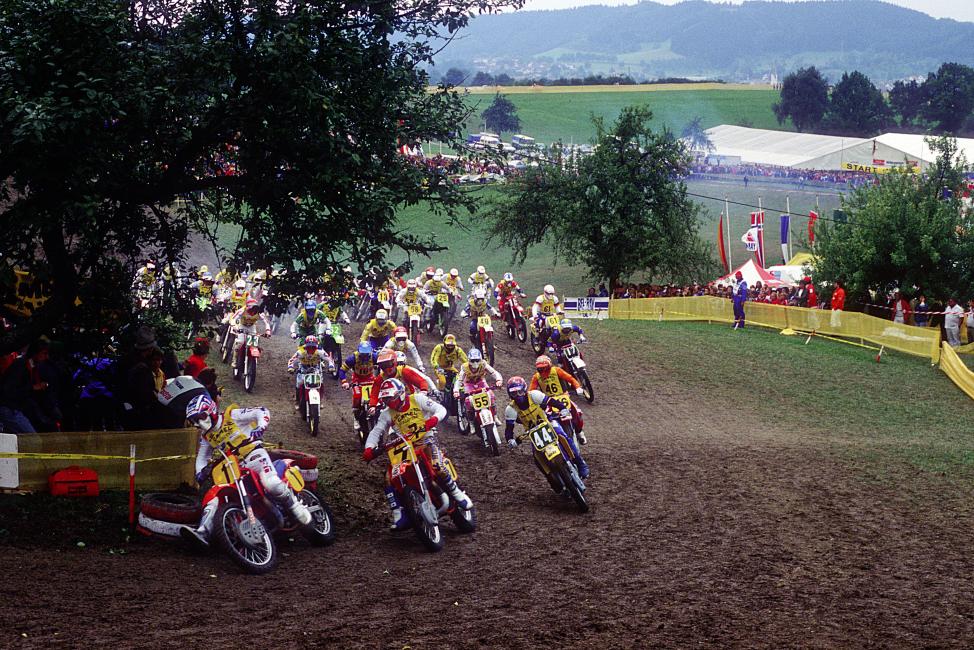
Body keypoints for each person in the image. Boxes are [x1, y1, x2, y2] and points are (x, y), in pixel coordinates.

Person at [179, 395, 311, 547]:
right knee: (217, 496)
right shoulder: (207, 437)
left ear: (211, 410)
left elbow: (261, 411)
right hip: (234, 467)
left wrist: (260, 427)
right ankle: (203, 531)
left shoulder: (231, 415)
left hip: (254, 455)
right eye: (195, 420)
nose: (199, 423)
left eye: (201, 417)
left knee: (271, 483)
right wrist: (200, 473)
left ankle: (295, 506)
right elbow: (202, 457)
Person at [362, 378, 472, 529]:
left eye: (390, 398)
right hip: (404, 446)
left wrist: (433, 420)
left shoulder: (417, 399)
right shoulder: (386, 413)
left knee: (437, 465)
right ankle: (399, 513)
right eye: (385, 399)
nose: (388, 402)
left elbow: (441, 409)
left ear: (400, 394)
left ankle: (457, 492)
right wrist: (369, 448)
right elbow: (376, 431)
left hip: (426, 438)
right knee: (389, 477)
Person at [503, 376, 589, 479]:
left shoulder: (534, 395)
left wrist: (562, 408)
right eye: (514, 393)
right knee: (537, 457)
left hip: (548, 422)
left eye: (520, 392)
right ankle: (552, 480)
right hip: (533, 433)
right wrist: (510, 440)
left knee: (563, 437)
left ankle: (580, 463)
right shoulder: (511, 409)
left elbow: (553, 402)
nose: (518, 396)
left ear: (524, 390)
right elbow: (509, 429)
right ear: (510, 395)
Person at [0, 339, 58, 433]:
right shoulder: (21, 365)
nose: (46, 357)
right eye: (44, 353)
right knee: (31, 438)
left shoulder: (31, 366)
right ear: (35, 353)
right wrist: (33, 387)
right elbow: (8, 389)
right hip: (8, 408)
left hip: (14, 408)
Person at [529, 355, 586, 444]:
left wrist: (577, 387)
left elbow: (570, 378)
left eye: (545, 368)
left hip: (562, 396)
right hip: (548, 401)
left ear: (549, 366)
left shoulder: (556, 370)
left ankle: (579, 432)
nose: (543, 371)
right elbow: (531, 391)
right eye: (540, 369)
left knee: (576, 412)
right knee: (543, 419)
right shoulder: (536, 377)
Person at [454, 348, 502, 420]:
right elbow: (459, 380)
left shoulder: (484, 364)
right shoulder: (464, 367)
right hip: (469, 384)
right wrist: (456, 391)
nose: (475, 363)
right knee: (468, 401)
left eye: (477, 360)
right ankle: (471, 421)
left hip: (480, 382)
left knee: (491, 396)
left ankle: (495, 416)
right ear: (469, 360)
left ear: (480, 359)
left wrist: (498, 380)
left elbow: (493, 372)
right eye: (473, 360)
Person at [340, 342, 378, 433]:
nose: (364, 356)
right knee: (357, 395)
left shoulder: (374, 357)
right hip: (357, 379)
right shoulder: (353, 358)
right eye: (363, 354)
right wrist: (344, 382)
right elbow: (342, 370)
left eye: (366, 354)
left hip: (370, 378)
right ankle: (356, 417)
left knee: (378, 394)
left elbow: (383, 365)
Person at [228, 298, 271, 370]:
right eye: (251, 308)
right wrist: (234, 326)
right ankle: (234, 360)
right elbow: (233, 318)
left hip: (251, 327)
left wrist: (268, 330)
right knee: (240, 342)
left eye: (254, 308)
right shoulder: (242, 310)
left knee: (253, 344)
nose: (253, 311)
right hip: (242, 326)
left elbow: (266, 322)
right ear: (247, 306)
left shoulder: (259, 313)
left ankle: (252, 360)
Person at [287, 335, 328, 408]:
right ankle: (297, 400)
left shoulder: (320, 351)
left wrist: (331, 366)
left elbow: (329, 359)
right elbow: (292, 360)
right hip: (303, 368)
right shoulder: (301, 351)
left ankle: (320, 400)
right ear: (306, 346)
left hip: (316, 368)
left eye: (313, 347)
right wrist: (290, 367)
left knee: (320, 383)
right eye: (309, 347)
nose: (311, 349)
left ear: (316, 346)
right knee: (299, 383)